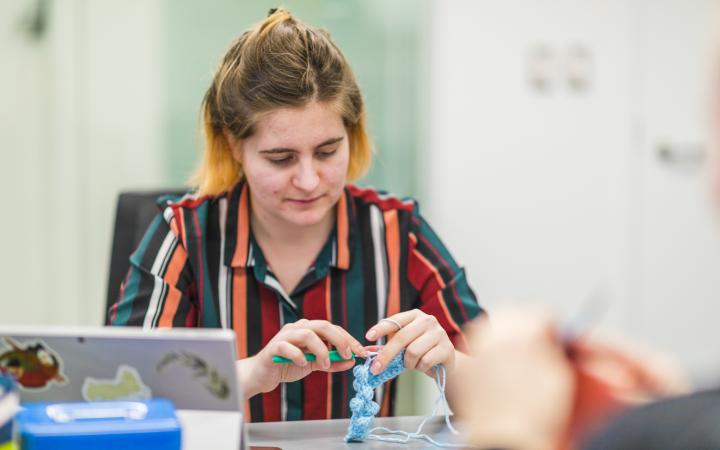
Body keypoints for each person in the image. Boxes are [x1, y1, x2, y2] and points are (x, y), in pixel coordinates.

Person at [107, 8, 483, 422]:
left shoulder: (397, 233)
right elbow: (124, 396)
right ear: (234, 146)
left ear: (351, 136)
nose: (308, 180)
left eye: (327, 152)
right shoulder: (182, 235)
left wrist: (451, 363)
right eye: (280, 158)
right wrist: (252, 373)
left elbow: (512, 397)